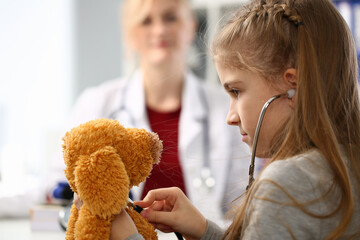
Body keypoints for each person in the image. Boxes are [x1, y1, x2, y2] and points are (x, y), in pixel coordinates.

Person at [102, 0, 360, 239]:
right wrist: (205, 230)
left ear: (291, 86)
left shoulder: (285, 185)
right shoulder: (346, 165)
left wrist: (127, 235)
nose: (230, 117)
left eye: (236, 91)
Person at [67, 0, 250, 225]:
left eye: (170, 17)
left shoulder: (226, 106)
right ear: (131, 34)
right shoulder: (96, 103)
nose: (160, 30)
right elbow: (60, 188)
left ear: (191, 25)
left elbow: (240, 204)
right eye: (146, 21)